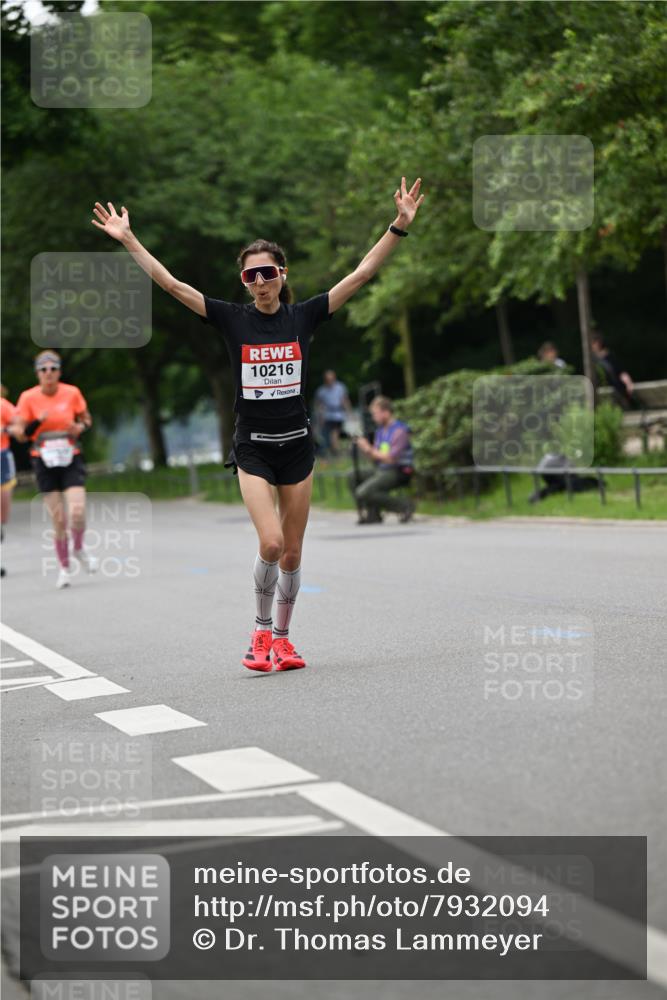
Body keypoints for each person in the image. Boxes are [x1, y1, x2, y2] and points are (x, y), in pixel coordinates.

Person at [92, 176, 425, 672]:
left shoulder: (304, 317)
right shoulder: (232, 320)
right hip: (253, 449)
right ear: (243, 284)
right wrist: (129, 239)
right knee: (269, 543)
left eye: (267, 273)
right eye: (251, 277)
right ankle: (260, 633)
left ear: (282, 274)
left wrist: (398, 226)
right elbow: (171, 284)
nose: (261, 282)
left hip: (297, 449)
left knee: (292, 554)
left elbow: (360, 276)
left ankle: (285, 641)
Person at [13, 351, 99, 589]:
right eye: (43, 369)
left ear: (59, 372)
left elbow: (87, 419)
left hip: (70, 456)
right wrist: (37, 422)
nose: (48, 373)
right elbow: (20, 434)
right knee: (59, 520)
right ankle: (64, 568)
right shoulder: (28, 398)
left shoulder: (71, 393)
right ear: (37, 373)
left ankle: (79, 547)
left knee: (78, 510)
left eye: (53, 368)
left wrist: (78, 427)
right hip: (43, 460)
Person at [350, 396, 415, 524]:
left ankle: (404, 506)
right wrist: (363, 448)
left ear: (386, 412)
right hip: (382, 469)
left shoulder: (400, 431)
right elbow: (375, 456)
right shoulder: (380, 431)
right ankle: (373, 512)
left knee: (362, 492)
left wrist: (368, 449)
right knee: (352, 475)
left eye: (375, 413)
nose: (373, 417)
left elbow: (391, 458)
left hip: (398, 470)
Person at [1, 386, 19, 578]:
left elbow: (19, 428)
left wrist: (4, 429)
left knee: (3, 513)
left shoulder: (3, 406)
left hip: (2, 458)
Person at [591, 332, 634, 408]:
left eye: (594, 342)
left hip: (616, 391)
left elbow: (621, 371)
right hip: (602, 393)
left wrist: (628, 383)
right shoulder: (591, 360)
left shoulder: (610, 356)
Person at [314, 370, 351, 456]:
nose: (330, 381)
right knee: (327, 436)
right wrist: (319, 416)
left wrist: (349, 413)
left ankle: (336, 453)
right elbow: (318, 405)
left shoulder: (340, 387)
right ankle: (334, 452)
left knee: (334, 434)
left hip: (338, 415)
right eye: (328, 379)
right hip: (327, 415)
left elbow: (345, 400)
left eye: (331, 379)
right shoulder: (321, 390)